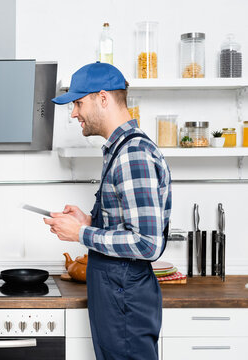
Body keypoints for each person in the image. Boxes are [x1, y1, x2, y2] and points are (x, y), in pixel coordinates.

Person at [44, 62, 172, 360]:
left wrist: (81, 233)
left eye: (78, 103)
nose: (74, 113)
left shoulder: (133, 154)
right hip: (117, 294)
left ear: (103, 98)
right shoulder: (121, 150)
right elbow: (128, 224)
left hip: (124, 295)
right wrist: (89, 221)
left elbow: (147, 243)